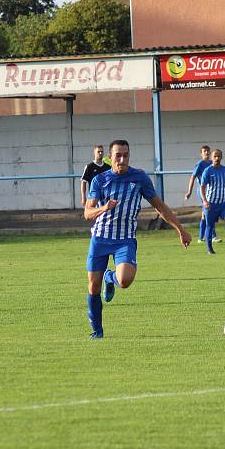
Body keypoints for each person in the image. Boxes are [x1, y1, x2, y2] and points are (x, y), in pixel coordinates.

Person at [84, 139, 191, 339]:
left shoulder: (139, 177)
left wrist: (180, 229)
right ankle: (97, 332)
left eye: (126, 155)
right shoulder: (100, 180)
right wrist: (103, 208)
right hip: (100, 238)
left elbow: (160, 206)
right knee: (93, 287)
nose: (122, 159)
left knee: (124, 280)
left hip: (125, 239)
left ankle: (110, 277)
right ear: (110, 156)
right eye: (118, 155)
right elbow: (87, 212)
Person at [199, 149, 225, 254]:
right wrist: (204, 201)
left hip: (224, 204)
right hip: (211, 204)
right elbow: (202, 187)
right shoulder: (207, 171)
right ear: (212, 158)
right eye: (215, 156)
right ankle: (210, 249)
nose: (217, 158)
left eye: (219, 156)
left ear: (221, 157)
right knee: (210, 225)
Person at [184, 145, 218, 243]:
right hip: (202, 191)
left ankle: (201, 237)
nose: (206, 153)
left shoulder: (212, 163)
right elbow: (193, 177)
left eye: (208, 151)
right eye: (204, 151)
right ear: (201, 153)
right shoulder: (200, 164)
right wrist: (189, 191)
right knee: (208, 212)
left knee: (205, 214)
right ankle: (212, 236)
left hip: (211, 191)